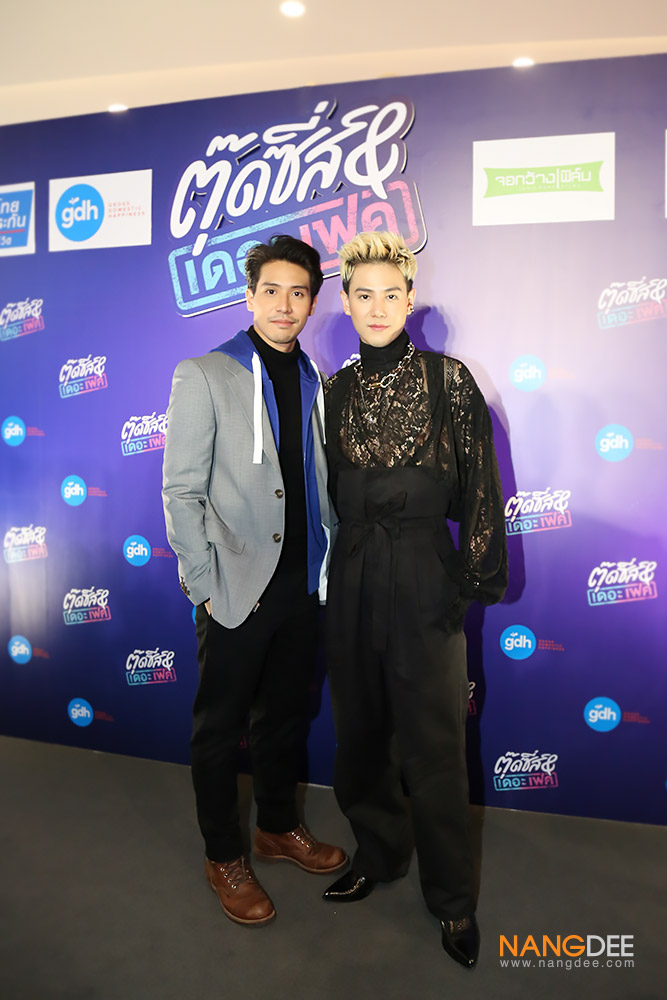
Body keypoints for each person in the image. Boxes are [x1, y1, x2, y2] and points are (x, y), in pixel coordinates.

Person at [321, 232, 507, 968]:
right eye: (362, 294)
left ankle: (452, 901)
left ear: (409, 300)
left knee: (434, 746)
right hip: (353, 575)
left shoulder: (448, 380)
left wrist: (471, 578)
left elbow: (481, 484)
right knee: (361, 733)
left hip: (425, 576)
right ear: (345, 302)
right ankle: (377, 853)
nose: (376, 307)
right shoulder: (332, 391)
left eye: (389, 294)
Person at [162, 234, 346, 928]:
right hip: (235, 587)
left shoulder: (317, 379)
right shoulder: (204, 374)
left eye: (298, 293)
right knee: (219, 731)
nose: (284, 305)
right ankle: (223, 856)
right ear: (249, 297)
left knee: (285, 719)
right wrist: (203, 584)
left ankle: (275, 827)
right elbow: (181, 491)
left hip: (303, 585)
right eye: (271, 291)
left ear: (312, 304)